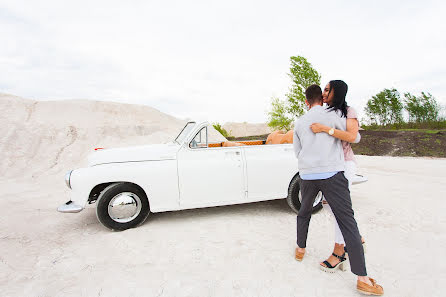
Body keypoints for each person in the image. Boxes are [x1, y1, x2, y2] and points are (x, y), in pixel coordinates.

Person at [293, 84, 383, 295]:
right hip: (332, 174)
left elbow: (298, 151)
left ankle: (300, 249)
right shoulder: (333, 115)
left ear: (306, 102)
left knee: (304, 212)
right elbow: (354, 137)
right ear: (321, 99)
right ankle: (362, 278)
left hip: (307, 175)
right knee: (347, 221)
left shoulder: (299, 122)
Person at [309, 80, 365, 271]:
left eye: (327, 90)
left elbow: (353, 137)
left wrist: (325, 129)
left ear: (336, 91)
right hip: (329, 165)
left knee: (340, 209)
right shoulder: (325, 112)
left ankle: (339, 252)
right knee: (333, 206)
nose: (323, 93)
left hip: (344, 164)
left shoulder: (349, 111)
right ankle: (354, 237)